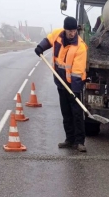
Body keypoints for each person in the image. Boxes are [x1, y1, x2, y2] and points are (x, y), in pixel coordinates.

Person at [34, 17, 88, 152]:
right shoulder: (58, 34)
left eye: (74, 30)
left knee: (76, 113)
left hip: (73, 85)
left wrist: (75, 92)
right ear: (65, 30)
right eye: (70, 31)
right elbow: (48, 39)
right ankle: (69, 140)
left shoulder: (80, 47)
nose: (72, 33)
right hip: (60, 82)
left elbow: (77, 71)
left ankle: (80, 142)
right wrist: (41, 47)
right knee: (66, 112)